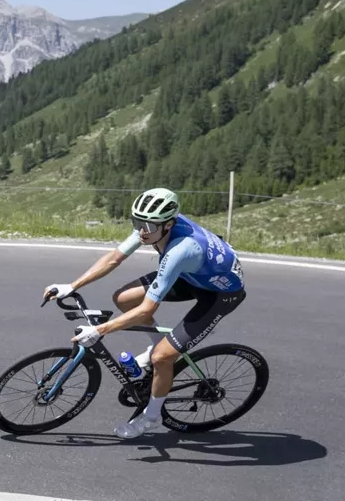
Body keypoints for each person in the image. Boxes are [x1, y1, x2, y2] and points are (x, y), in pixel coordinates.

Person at [44, 187, 246, 440]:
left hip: (220, 293)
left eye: (148, 225)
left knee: (163, 357)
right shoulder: (154, 227)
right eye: (137, 222)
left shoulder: (180, 250)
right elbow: (114, 258)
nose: (141, 230)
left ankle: (152, 416)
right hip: (193, 276)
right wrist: (71, 286)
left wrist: (99, 330)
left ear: (168, 224)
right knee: (123, 298)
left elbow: (147, 310)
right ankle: (155, 349)